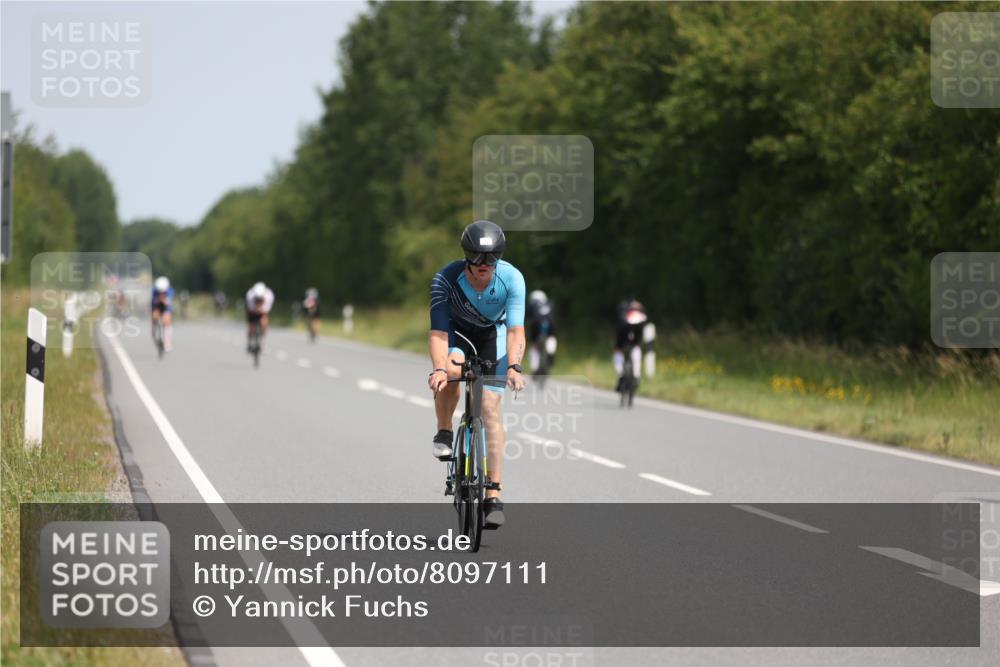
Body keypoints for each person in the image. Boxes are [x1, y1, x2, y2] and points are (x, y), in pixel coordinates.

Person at [428, 220, 526, 529]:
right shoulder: (446, 278)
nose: (484, 265)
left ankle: (493, 494)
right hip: (457, 336)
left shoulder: (512, 278)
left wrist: (513, 366)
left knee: (489, 409)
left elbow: (515, 330)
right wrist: (440, 369)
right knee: (452, 371)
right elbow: (439, 333)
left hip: (491, 338)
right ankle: (445, 430)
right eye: (477, 257)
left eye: (492, 258)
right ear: (466, 255)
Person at [614, 296, 649, 390]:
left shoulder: (622, 306)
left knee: (618, 350)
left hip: (623, 328)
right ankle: (636, 376)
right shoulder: (639, 306)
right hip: (637, 328)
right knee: (636, 347)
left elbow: (617, 321)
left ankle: (620, 375)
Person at [525, 289, 557, 373]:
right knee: (551, 337)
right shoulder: (550, 303)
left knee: (533, 345)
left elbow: (526, 317)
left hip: (535, 325)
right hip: (550, 324)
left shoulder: (531, 304)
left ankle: (534, 367)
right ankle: (551, 351)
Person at [245, 281, 275, 351]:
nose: (258, 300)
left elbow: (267, 310)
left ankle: (262, 341)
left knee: (264, 322)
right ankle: (249, 342)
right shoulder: (250, 295)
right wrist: (255, 310)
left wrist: (261, 310)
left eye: (260, 299)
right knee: (250, 326)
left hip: (263, 311)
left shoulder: (269, 295)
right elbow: (250, 309)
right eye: (257, 299)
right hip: (252, 311)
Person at [151, 276, 174, 352]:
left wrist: (164, 301)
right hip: (156, 307)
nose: (161, 292)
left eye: (162, 291)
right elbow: (153, 303)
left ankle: (167, 341)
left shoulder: (169, 291)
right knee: (154, 315)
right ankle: (154, 328)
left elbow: (169, 303)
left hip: (166, 308)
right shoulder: (154, 291)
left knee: (167, 320)